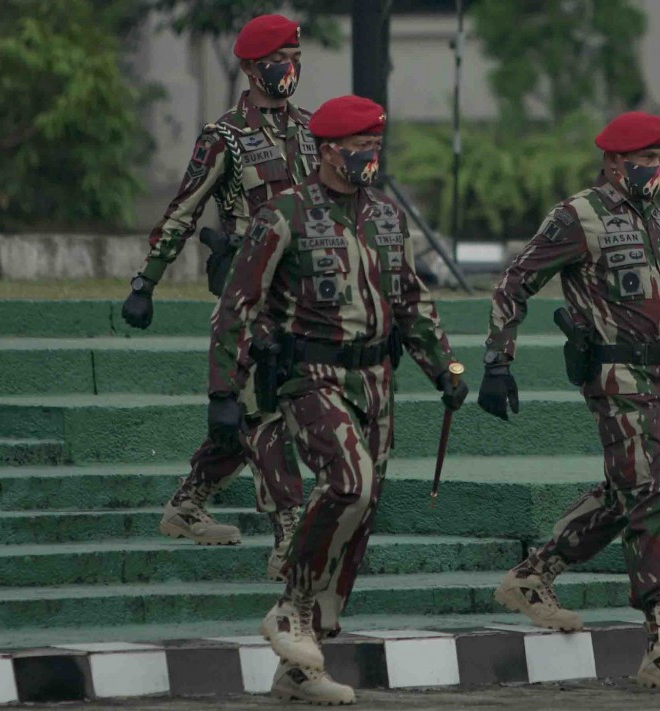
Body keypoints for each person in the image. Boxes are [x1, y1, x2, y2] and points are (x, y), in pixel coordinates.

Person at [209, 94, 468, 705]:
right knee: (348, 482)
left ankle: (303, 664)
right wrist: (223, 390)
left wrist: (445, 367)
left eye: (375, 149)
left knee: (361, 514)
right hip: (311, 375)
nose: (369, 160)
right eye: (358, 151)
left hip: (376, 378)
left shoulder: (385, 218)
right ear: (326, 152)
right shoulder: (285, 216)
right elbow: (237, 308)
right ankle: (290, 610)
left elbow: (410, 300)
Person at [478, 111, 660, 694]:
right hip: (618, 376)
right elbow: (514, 281)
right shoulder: (578, 216)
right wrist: (498, 358)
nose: (657, 170)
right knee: (652, 494)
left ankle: (533, 576)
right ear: (615, 161)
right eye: (646, 160)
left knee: (628, 490)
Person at [121, 14, 318, 579]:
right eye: (281, 61)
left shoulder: (309, 131)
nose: (291, 71)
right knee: (262, 413)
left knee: (248, 417)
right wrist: (145, 283)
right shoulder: (225, 136)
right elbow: (182, 210)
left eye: (296, 60)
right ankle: (288, 536)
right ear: (253, 68)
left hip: (303, 300)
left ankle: (186, 505)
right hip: (247, 298)